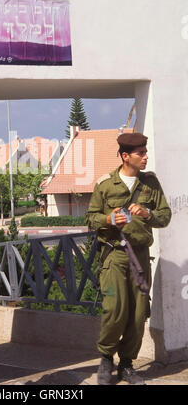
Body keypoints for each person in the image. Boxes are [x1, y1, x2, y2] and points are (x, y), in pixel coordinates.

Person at [87, 132, 171, 385]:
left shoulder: (151, 184)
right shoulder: (105, 184)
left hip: (141, 258)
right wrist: (109, 219)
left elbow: (165, 217)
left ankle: (126, 365)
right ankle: (105, 358)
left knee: (137, 314)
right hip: (114, 255)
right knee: (114, 310)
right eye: (140, 153)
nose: (146, 157)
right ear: (125, 156)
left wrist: (147, 213)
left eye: (145, 152)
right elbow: (90, 219)